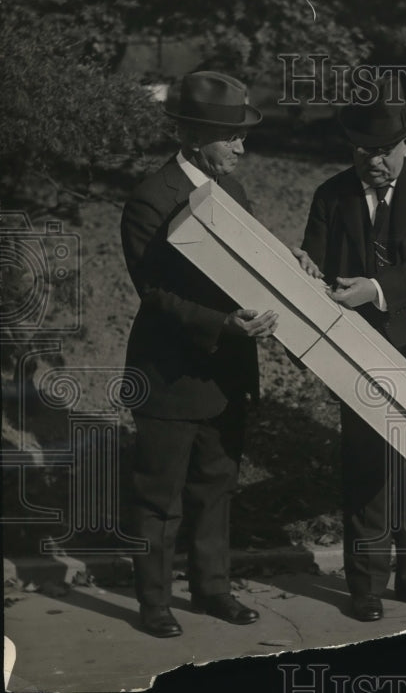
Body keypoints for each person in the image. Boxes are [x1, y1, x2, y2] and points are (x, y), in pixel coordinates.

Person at [121, 71, 296, 637]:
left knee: (215, 490)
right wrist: (224, 324)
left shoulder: (235, 193)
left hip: (226, 373)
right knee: (159, 496)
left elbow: (252, 268)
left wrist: (292, 264)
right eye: (233, 137)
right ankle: (153, 603)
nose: (243, 148)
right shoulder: (151, 197)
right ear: (196, 136)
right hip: (170, 375)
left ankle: (213, 590)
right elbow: (154, 293)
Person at [300, 77, 406, 622]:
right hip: (359, 350)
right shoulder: (331, 194)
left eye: (383, 151)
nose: (373, 161)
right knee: (368, 468)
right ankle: (365, 585)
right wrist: (303, 270)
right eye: (362, 151)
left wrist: (374, 288)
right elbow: (315, 267)